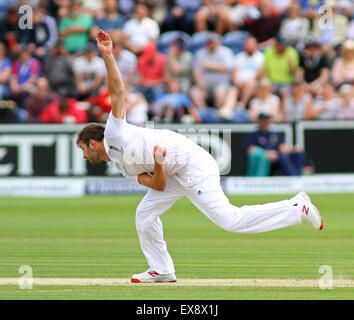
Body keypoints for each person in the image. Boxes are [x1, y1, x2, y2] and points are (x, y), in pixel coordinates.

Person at [76, 30, 323, 283]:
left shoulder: (114, 134)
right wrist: (159, 164)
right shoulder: (121, 166)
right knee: (145, 213)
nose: (83, 155)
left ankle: (295, 207)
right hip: (171, 172)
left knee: (229, 220)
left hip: (193, 166)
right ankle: (162, 269)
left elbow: (117, 92)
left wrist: (107, 56)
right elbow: (158, 185)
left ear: (93, 143)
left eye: (83, 149)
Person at [189, 33, 234, 111]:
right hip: (205, 84)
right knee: (194, 92)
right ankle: (204, 114)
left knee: (219, 94)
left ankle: (218, 116)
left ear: (218, 43)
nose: (211, 44)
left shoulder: (225, 52)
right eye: (209, 42)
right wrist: (199, 81)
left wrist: (208, 64)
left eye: (213, 42)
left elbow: (226, 68)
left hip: (221, 83)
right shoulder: (200, 53)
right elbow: (196, 70)